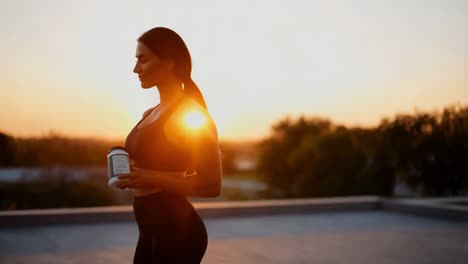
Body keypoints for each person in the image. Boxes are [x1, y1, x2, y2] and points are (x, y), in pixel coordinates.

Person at [117, 27, 222, 264]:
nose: (136, 69)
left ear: (170, 62)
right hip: (148, 229)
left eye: (143, 60)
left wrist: (147, 177)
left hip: (178, 232)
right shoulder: (149, 113)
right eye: (136, 60)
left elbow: (211, 185)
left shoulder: (192, 115)